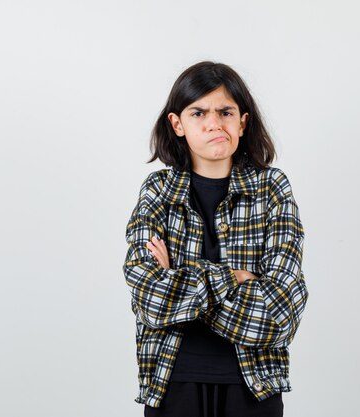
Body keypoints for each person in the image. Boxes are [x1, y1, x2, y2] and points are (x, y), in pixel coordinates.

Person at [122, 61, 309, 417]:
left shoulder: (272, 189)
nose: (214, 123)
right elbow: (150, 300)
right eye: (198, 112)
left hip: (253, 386)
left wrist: (179, 282)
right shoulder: (157, 191)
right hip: (172, 383)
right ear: (177, 124)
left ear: (242, 121)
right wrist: (237, 277)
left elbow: (280, 313)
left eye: (225, 111)